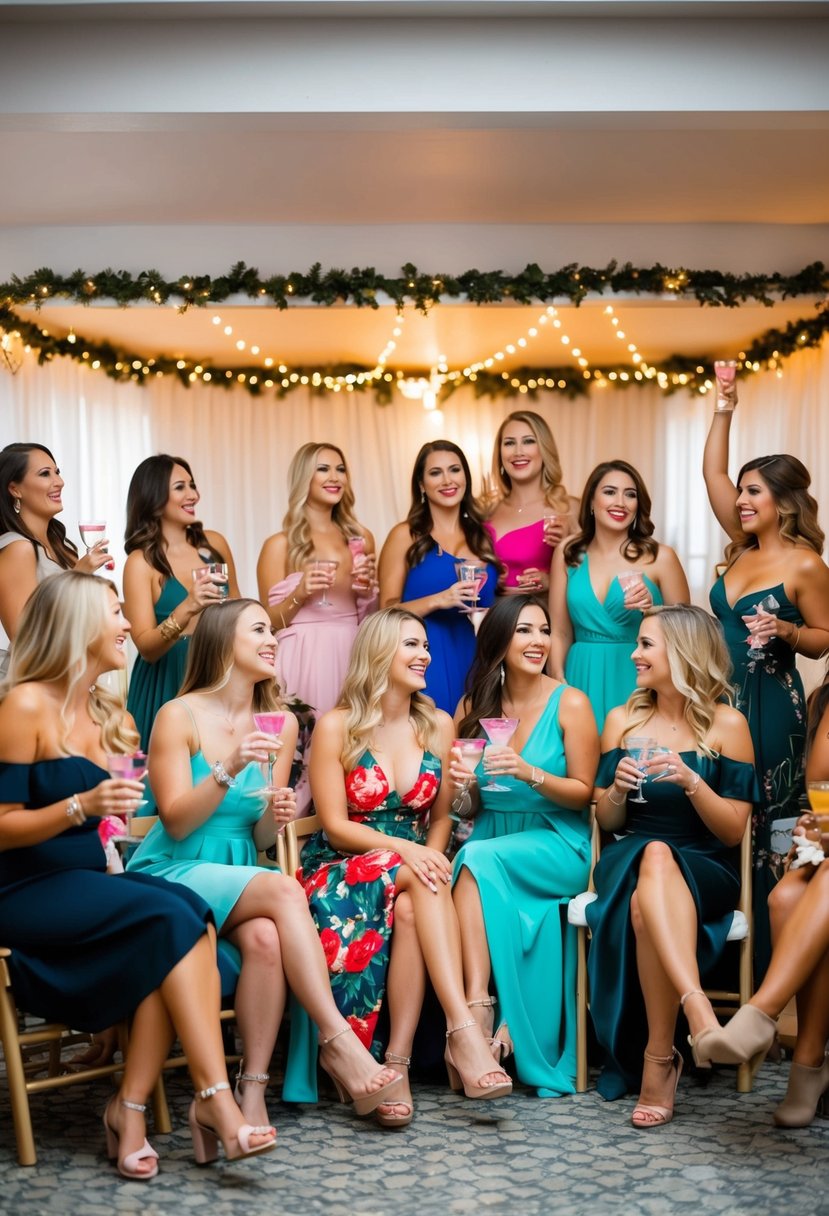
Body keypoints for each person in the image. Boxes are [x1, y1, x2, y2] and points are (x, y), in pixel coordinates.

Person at [0, 571, 277, 1177]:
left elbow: (106, 831)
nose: (129, 625)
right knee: (169, 914)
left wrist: (108, 827)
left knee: (187, 918)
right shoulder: (24, 705)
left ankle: (129, 1109)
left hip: (87, 882)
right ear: (75, 624)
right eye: (115, 613)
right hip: (22, 890)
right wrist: (81, 807)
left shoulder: (105, 712)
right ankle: (216, 1105)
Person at [127, 598, 401, 1126]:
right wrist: (230, 766)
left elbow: (254, 834)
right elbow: (179, 822)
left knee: (267, 940)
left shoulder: (279, 724)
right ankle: (337, 1038)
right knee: (284, 889)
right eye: (259, 629)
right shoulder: (177, 715)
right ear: (223, 639)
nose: (273, 638)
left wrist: (273, 817)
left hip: (237, 868)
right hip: (172, 869)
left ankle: (250, 1096)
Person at [299, 607, 512, 1127]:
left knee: (420, 897)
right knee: (420, 876)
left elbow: (443, 817)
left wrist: (433, 845)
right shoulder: (337, 726)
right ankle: (462, 1031)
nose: (426, 655)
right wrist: (410, 854)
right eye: (413, 645)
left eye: (426, 646)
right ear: (379, 652)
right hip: (343, 867)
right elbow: (333, 826)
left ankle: (397, 1061)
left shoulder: (436, 723)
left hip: (415, 868)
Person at [588, 604, 755, 1122]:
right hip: (629, 854)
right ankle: (694, 1012)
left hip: (705, 864)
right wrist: (614, 788)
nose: (634, 654)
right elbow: (608, 820)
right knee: (652, 857)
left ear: (681, 653)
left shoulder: (729, 723)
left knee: (648, 900)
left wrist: (691, 781)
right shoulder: (622, 720)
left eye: (645, 644)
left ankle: (661, 1056)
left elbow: (731, 830)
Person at [450, 595, 598, 1096]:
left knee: (472, 859)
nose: (538, 642)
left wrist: (531, 773)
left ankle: (475, 1008)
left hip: (558, 841)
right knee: (474, 856)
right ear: (499, 641)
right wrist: (461, 786)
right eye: (524, 632)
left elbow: (586, 793)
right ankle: (481, 1024)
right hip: (494, 835)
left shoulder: (571, 702)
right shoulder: (471, 709)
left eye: (545, 631)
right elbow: (466, 810)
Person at [703, 398, 829, 979]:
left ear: (783, 501)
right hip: (719, 703)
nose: (743, 501)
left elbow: (825, 639)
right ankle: (722, 974)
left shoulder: (804, 565)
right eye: (742, 491)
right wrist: (723, 410)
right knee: (722, 822)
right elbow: (712, 475)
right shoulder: (743, 548)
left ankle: (770, 992)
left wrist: (786, 629)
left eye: (755, 491)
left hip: (774, 706)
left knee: (771, 829)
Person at [686, 674, 829, 1127]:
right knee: (784, 896)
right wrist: (814, 826)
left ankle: (764, 1019)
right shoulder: (822, 699)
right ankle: (808, 1066)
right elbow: (820, 794)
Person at [256, 442, 377, 812]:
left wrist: (368, 589)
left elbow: (373, 613)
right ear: (303, 478)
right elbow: (266, 622)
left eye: (340, 469)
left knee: (351, 746)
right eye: (323, 469)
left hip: (351, 652)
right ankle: (290, 837)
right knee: (300, 752)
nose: (334, 477)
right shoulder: (280, 545)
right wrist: (301, 592)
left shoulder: (361, 539)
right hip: (301, 655)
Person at [549, 460, 690, 730]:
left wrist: (652, 611)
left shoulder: (660, 557)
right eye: (610, 492)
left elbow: (687, 633)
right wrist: (557, 680)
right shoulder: (568, 553)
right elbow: (560, 631)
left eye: (630, 494)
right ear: (591, 501)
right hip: (580, 672)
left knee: (632, 760)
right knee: (580, 763)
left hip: (637, 674)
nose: (621, 502)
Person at [123, 454, 240, 750]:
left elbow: (239, 611)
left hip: (217, 669)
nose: (193, 495)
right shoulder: (141, 563)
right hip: (167, 679)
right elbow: (147, 648)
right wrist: (187, 606)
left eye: (193, 485)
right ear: (154, 496)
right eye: (180, 487)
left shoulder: (214, 545)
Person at [378, 441, 499, 714]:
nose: (447, 480)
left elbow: (498, 598)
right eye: (435, 473)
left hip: (478, 654)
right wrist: (440, 599)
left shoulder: (484, 536)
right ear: (421, 484)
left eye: (454, 470)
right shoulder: (405, 535)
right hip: (424, 657)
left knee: (474, 741)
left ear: (465, 477)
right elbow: (385, 610)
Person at [0, 442, 111, 676]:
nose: (59, 482)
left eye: (57, 472)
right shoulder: (18, 548)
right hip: (39, 683)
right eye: (45, 474)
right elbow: (24, 638)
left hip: (73, 674)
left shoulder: (65, 550)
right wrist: (78, 576)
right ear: (15, 489)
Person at [484, 410, 577, 596]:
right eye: (509, 443)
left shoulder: (569, 508)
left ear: (544, 449)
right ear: (500, 453)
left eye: (528, 441)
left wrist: (553, 580)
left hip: (543, 619)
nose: (518, 452)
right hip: (490, 621)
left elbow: (597, 576)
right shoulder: (486, 510)